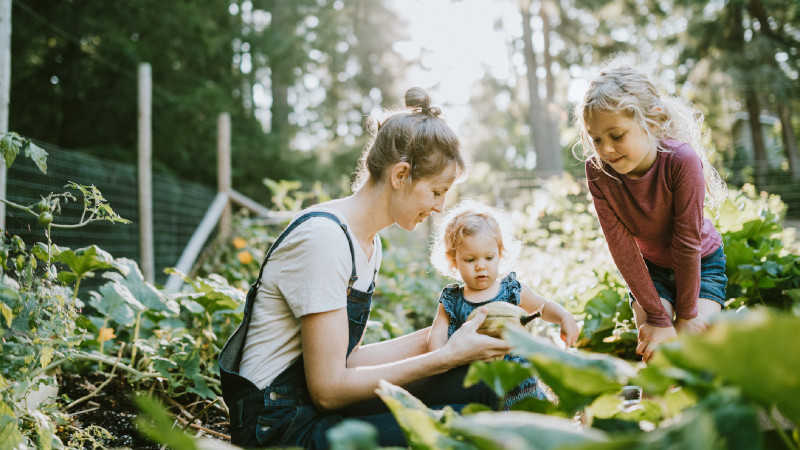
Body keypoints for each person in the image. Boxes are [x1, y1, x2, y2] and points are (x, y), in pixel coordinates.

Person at [218, 87, 513, 449]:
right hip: (279, 428)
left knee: (483, 382)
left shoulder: (367, 243)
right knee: (461, 429)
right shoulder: (324, 239)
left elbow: (346, 359)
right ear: (400, 174)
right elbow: (328, 388)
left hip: (310, 407)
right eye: (436, 192)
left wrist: (452, 332)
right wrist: (444, 357)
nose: (439, 208)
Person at [573, 55, 728, 363]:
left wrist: (685, 315)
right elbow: (622, 248)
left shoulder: (681, 161)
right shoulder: (599, 172)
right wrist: (658, 318)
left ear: (653, 122)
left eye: (616, 135)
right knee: (658, 356)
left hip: (701, 263)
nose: (605, 149)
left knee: (692, 353)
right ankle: (651, 412)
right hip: (650, 272)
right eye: (596, 139)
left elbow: (686, 243)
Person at [427, 200, 580, 409]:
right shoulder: (452, 300)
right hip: (478, 388)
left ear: (500, 253)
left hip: (521, 387)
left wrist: (564, 316)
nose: (481, 266)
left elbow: (542, 306)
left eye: (489, 257)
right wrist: (440, 360)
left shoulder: (511, 291)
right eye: (470, 260)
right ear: (454, 260)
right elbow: (436, 336)